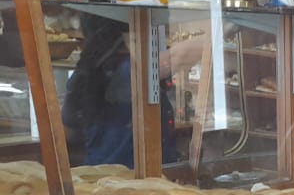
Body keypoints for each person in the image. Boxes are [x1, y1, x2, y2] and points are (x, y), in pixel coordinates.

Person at [62, 13, 203, 167]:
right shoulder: (128, 70)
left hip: (100, 173)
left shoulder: (83, 72)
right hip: (134, 175)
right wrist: (216, 29)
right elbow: (177, 57)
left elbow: (70, 131)